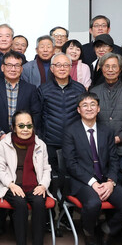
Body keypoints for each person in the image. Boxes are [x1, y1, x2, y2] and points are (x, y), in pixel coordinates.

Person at [63, 93, 122, 245]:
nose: (89, 108)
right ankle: (89, 234)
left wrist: (111, 181)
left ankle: (106, 230)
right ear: (78, 110)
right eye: (85, 105)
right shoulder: (71, 131)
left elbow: (113, 159)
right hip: (82, 181)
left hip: (106, 179)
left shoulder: (107, 131)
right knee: (93, 204)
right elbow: (71, 164)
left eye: (92, 105)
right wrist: (93, 183)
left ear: (98, 109)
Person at [0, 110, 51, 245]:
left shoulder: (40, 144)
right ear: (13, 127)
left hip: (35, 185)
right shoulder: (4, 144)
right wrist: (11, 184)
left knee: (40, 203)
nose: (25, 129)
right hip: (12, 185)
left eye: (29, 125)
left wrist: (43, 185)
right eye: (21, 125)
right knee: (20, 204)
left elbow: (47, 169)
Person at [37, 53, 86, 193]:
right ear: (52, 68)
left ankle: (67, 213)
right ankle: (50, 212)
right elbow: (38, 117)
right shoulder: (43, 89)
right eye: (58, 65)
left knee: (71, 180)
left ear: (71, 67)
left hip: (74, 143)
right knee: (50, 179)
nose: (62, 68)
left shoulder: (79, 89)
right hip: (50, 143)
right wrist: (41, 138)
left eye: (66, 65)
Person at [90, 53, 122, 179]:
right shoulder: (93, 92)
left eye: (114, 66)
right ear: (101, 69)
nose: (110, 70)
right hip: (99, 147)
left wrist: (120, 137)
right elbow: (90, 118)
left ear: (120, 68)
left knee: (119, 183)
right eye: (107, 66)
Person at [0, 51, 41, 154]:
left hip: (24, 140)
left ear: (21, 69)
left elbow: (36, 114)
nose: (13, 69)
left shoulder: (30, 89)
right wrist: (0, 134)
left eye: (17, 66)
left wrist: (25, 132)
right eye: (9, 65)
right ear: (3, 68)